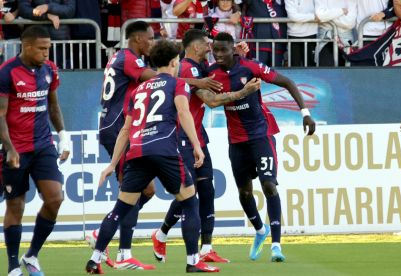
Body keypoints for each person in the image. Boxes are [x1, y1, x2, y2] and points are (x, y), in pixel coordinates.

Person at [85, 39, 220, 274]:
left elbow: (126, 131)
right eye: (177, 62)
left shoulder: (137, 91)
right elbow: (183, 111)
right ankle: (193, 260)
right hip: (164, 150)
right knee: (189, 201)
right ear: (173, 62)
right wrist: (197, 146)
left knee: (121, 207)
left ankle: (95, 258)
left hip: (136, 153)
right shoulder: (178, 84)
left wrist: (112, 164)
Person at [151, 29, 260, 264]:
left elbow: (219, 70)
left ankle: (206, 247)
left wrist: (240, 56)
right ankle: (161, 234)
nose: (211, 47)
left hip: (199, 137)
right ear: (196, 46)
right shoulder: (187, 67)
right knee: (188, 193)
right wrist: (244, 92)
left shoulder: (199, 68)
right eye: (207, 44)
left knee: (207, 190)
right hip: (182, 138)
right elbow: (211, 101)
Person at [208, 32, 315, 262]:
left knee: (269, 185)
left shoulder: (251, 67)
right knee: (244, 192)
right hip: (236, 141)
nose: (218, 55)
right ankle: (259, 230)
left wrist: (305, 113)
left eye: (222, 50)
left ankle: (276, 245)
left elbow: (286, 82)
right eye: (214, 50)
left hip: (261, 136)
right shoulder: (211, 73)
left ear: (233, 50)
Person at [87, 20, 158, 271]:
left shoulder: (122, 57)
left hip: (118, 128)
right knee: (133, 190)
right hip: (118, 130)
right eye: (150, 38)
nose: (152, 42)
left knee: (147, 190)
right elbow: (155, 79)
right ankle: (123, 253)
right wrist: (183, 78)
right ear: (138, 39)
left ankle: (103, 233)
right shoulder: (129, 58)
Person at [0, 25, 70, 276]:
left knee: (55, 198)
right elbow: (0, 115)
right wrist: (9, 148)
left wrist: (63, 137)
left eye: (48, 48)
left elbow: (53, 105)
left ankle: (31, 256)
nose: (46, 53)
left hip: (43, 146)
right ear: (26, 46)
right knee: (15, 207)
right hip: (15, 149)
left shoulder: (49, 69)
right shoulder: (6, 72)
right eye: (41, 49)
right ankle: (12, 267)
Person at [315, 0, 357, 66]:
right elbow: (319, 15)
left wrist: (327, 17)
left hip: (346, 42)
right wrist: (341, 11)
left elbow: (349, 23)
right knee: (325, 71)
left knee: (346, 72)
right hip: (326, 40)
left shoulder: (351, 1)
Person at [285, 0, 318, 67]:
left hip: (311, 34)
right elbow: (293, 16)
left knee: (311, 66)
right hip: (293, 35)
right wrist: (313, 17)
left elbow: (320, 12)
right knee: (294, 66)